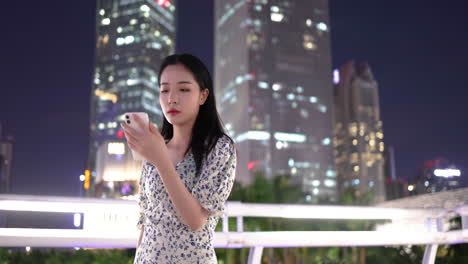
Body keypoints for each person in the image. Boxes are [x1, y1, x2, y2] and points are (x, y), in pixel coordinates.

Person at [121, 53, 237, 263]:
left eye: (183, 89)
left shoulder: (219, 148)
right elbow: (147, 221)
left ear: (203, 95)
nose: (171, 98)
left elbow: (195, 220)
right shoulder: (155, 148)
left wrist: (160, 160)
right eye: (164, 90)